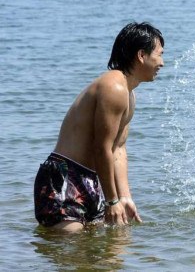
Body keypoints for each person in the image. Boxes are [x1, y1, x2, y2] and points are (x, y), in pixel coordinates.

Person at [34, 22, 165, 232]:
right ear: (141, 55)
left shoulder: (130, 94)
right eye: (159, 54)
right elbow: (101, 147)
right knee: (71, 249)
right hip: (65, 175)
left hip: (93, 180)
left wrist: (124, 197)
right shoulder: (113, 87)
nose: (162, 63)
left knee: (113, 249)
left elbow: (118, 149)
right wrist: (112, 202)